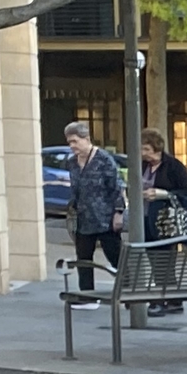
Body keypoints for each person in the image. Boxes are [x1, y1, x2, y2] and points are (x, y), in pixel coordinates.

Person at [139, 133, 187, 316]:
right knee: (155, 260)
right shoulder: (142, 165)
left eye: (147, 149)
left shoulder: (174, 166)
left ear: (157, 149)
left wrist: (163, 194)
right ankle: (173, 300)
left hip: (166, 220)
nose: (144, 153)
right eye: (142, 149)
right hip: (145, 216)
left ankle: (161, 300)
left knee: (164, 260)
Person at [64, 122, 125, 302]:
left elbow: (116, 187)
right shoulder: (72, 163)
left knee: (116, 257)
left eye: (75, 141)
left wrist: (118, 212)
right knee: (83, 258)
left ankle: (128, 291)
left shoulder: (104, 160)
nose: (72, 146)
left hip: (105, 218)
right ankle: (87, 295)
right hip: (83, 218)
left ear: (87, 139)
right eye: (69, 142)